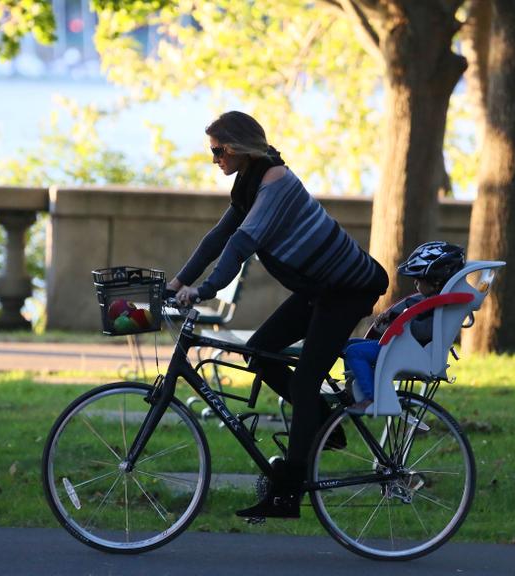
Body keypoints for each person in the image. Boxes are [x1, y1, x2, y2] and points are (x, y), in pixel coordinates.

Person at [167, 111, 389, 518]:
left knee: (305, 380)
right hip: (318, 290)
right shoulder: (250, 184)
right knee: (260, 350)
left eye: (218, 151)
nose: (214, 159)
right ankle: (325, 425)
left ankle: (289, 491)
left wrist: (204, 290)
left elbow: (241, 244)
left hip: (348, 290)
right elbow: (218, 237)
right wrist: (177, 282)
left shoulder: (276, 184)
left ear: (238, 148)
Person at [343, 241, 467, 415]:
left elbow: (423, 331)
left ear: (436, 282)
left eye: (419, 279)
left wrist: (397, 321)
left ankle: (371, 397)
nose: (415, 283)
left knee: (355, 352)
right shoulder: (434, 301)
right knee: (347, 345)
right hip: (403, 348)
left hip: (406, 350)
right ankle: (354, 390)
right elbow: (412, 304)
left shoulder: (439, 308)